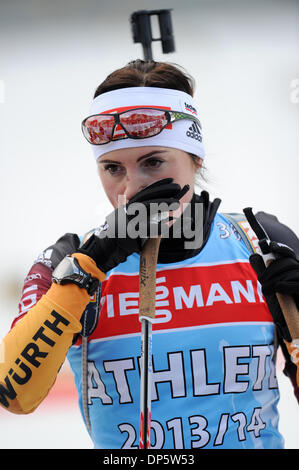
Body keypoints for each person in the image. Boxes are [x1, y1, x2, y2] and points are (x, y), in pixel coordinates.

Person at [1, 59, 299, 450]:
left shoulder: (260, 242)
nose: (131, 189)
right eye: (112, 168)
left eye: (153, 162)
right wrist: (86, 273)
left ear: (196, 158)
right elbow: (14, 394)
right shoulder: (69, 259)